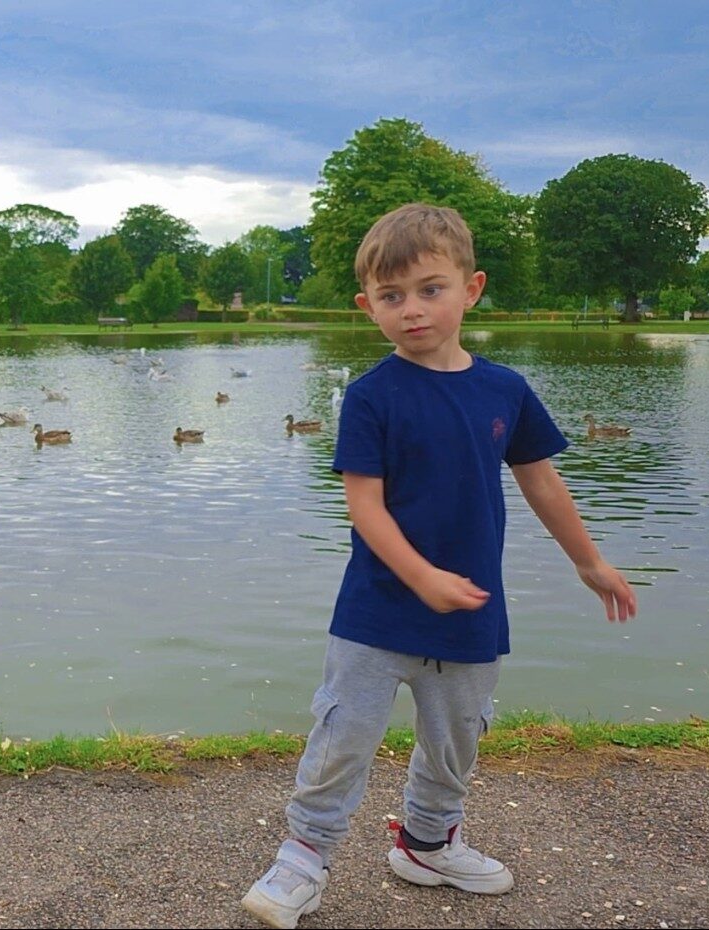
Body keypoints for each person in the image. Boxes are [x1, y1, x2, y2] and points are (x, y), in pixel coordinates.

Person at [241, 203, 637, 929]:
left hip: (471, 609)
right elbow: (365, 508)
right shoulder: (369, 397)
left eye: (431, 289)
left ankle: (427, 844)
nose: (413, 310)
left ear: (472, 287)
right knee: (343, 734)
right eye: (392, 297)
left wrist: (591, 562)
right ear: (368, 307)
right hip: (378, 609)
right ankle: (302, 858)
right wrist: (419, 576)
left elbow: (542, 480)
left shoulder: (504, 390)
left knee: (456, 739)